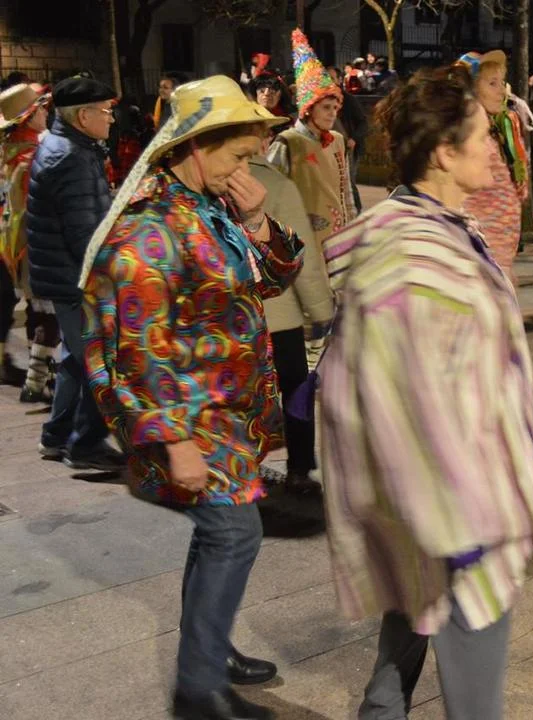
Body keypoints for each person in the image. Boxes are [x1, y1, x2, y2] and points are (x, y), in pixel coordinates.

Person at [318, 64, 533, 720]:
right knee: (474, 686)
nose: (494, 148)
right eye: (483, 136)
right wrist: (459, 521)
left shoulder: (430, 226)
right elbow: (400, 402)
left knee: (409, 621)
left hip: (441, 503)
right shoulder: (414, 256)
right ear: (444, 152)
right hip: (455, 508)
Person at [82, 75, 301, 720]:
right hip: (190, 416)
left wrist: (257, 219)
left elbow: (267, 283)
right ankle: (199, 689)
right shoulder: (148, 231)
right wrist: (173, 441)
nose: (244, 170)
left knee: (218, 535)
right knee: (234, 532)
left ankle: (210, 650)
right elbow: (138, 349)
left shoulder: (205, 205)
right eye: (237, 155)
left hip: (225, 413)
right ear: (196, 145)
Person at [25, 75, 125, 471]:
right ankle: (84, 447)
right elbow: (86, 235)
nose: (111, 119)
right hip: (78, 280)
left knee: (74, 359)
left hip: (63, 276)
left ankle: (55, 436)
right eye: (106, 111)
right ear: (84, 116)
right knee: (100, 364)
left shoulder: (65, 145)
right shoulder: (72, 157)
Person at [250, 130, 334, 496]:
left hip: (231, 317)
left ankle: (243, 465)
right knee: (295, 387)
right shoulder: (276, 185)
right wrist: (321, 309)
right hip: (279, 312)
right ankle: (299, 467)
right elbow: (302, 258)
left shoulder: (201, 184)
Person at [269, 29, 357, 293]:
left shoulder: (337, 141)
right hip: (302, 240)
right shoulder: (287, 142)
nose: (332, 114)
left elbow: (345, 191)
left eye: (335, 108)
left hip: (336, 240)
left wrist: (351, 229)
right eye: (326, 108)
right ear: (308, 109)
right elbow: (272, 194)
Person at [0, 83, 58, 404]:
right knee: (50, 315)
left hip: (15, 247)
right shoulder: (32, 158)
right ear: (28, 116)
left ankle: (38, 380)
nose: (46, 113)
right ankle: (38, 381)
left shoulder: (10, 153)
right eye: (41, 108)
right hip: (37, 246)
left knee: (40, 313)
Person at [455, 50, 530, 286]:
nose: (502, 91)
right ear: (471, 89)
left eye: (501, 82)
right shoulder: (469, 137)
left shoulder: (493, 131)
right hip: (482, 261)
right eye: (492, 83)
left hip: (496, 259)